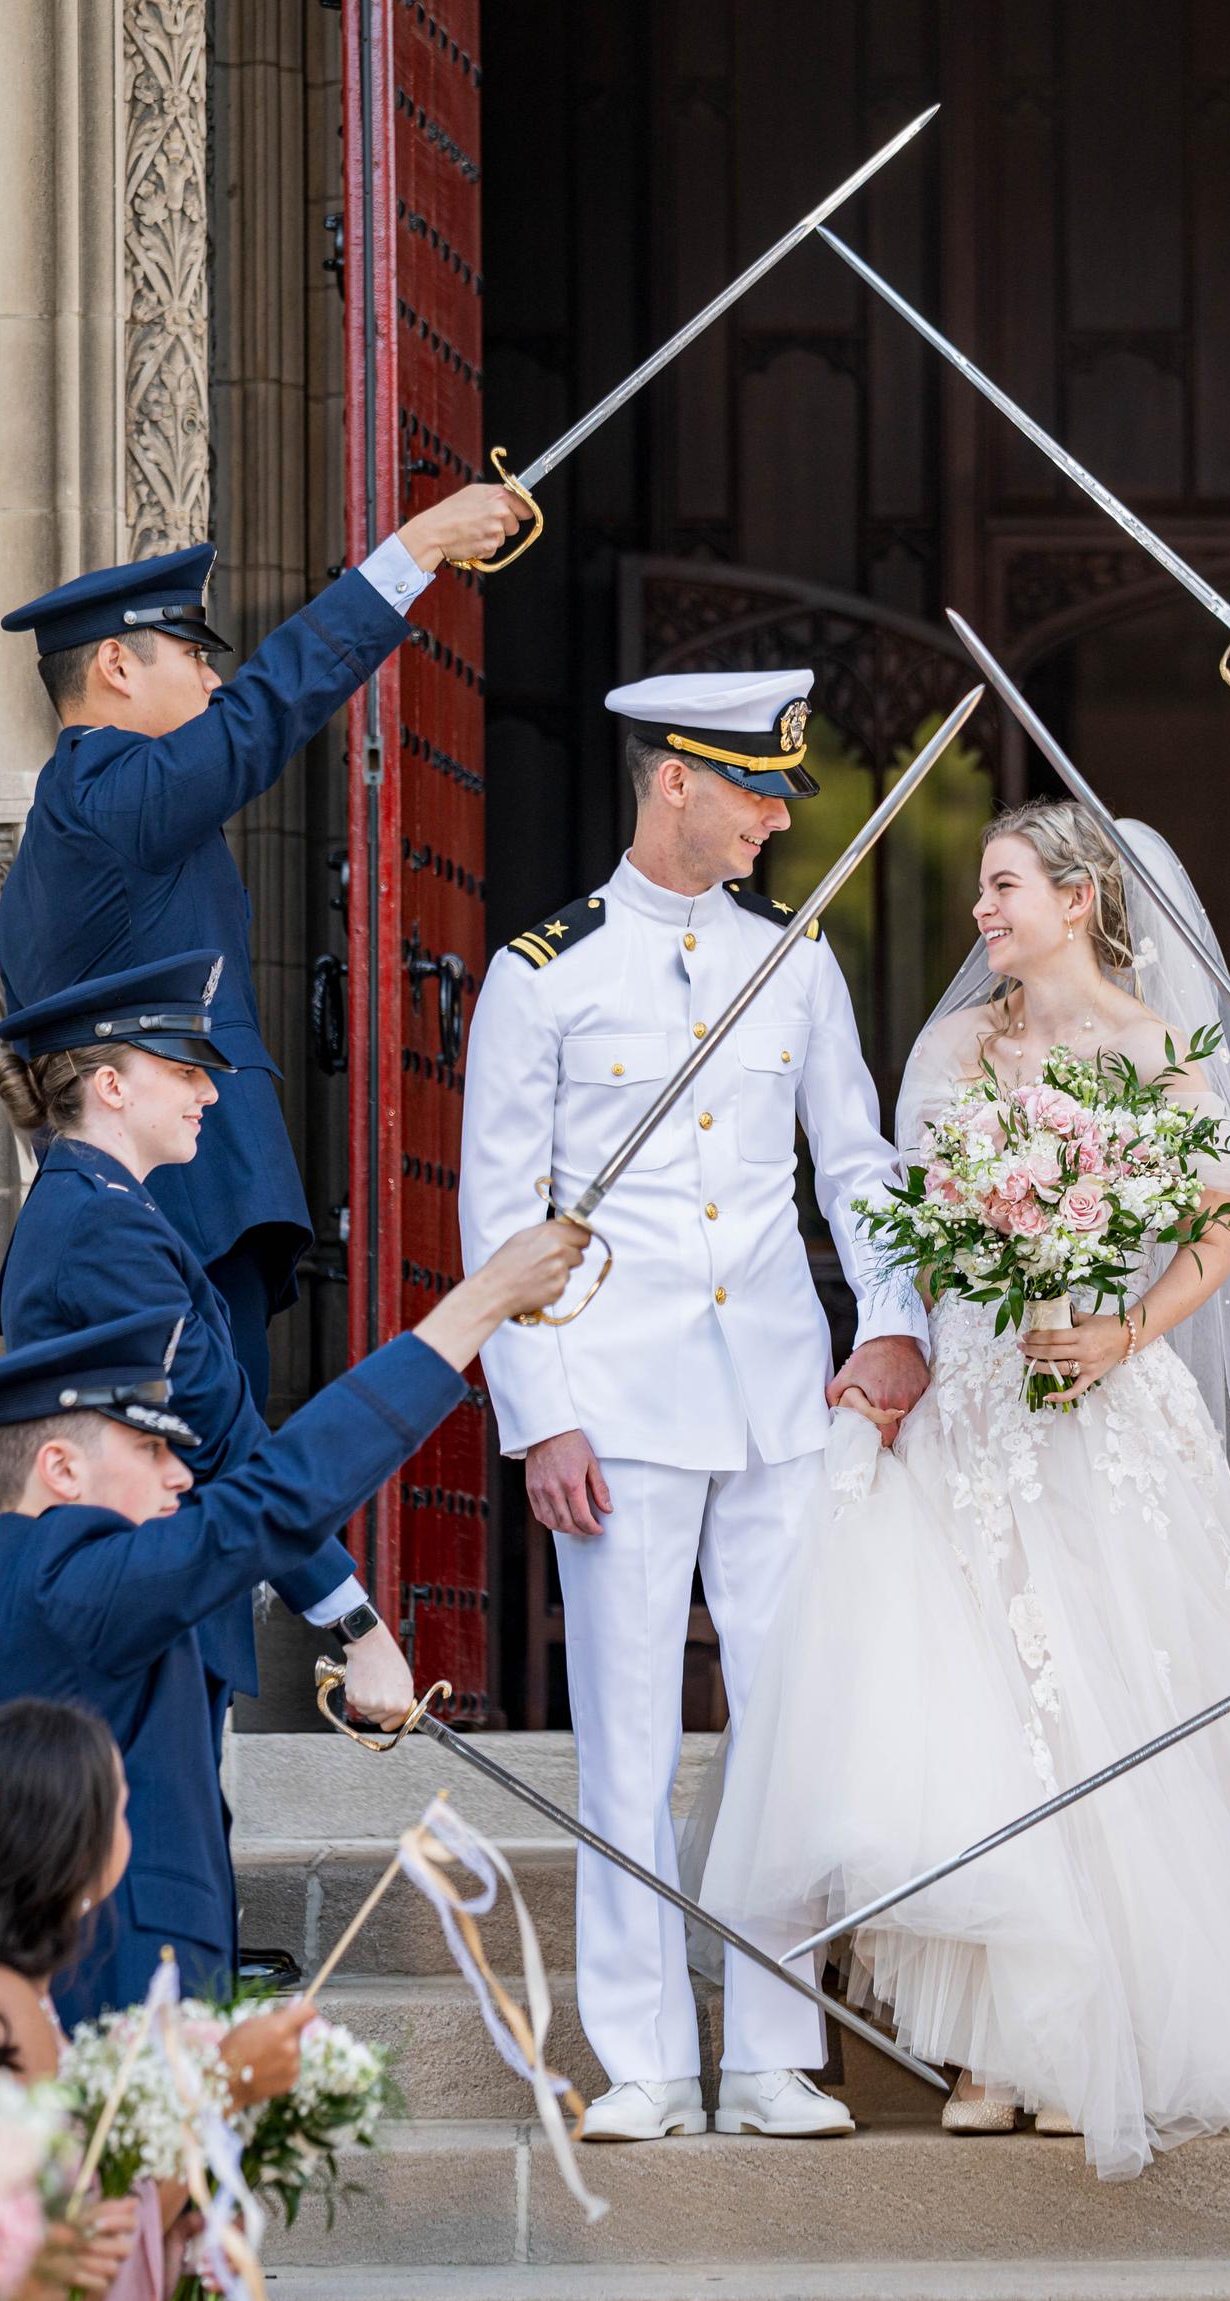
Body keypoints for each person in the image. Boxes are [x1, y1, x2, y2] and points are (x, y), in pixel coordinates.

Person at [699, 802, 1230, 2181]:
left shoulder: (1162, 1046)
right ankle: (994, 2046)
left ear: (1077, 896)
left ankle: (1087, 2029)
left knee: (1111, 1696)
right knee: (980, 1706)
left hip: (1110, 1399)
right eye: (982, 890)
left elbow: (1215, 1246)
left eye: (1001, 887)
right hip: (984, 1403)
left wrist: (1116, 1328)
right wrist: (963, 1291)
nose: (981, 913)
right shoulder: (953, 1044)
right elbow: (912, 1229)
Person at [458, 669, 929, 2142]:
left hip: (785, 1390)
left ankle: (773, 2049)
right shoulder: (544, 971)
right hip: (618, 1396)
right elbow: (501, 1209)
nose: (777, 815)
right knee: (631, 1741)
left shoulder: (793, 962)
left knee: (782, 1727)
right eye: (753, 786)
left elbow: (852, 1164)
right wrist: (539, 1413)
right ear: (674, 779)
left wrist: (898, 1322)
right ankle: (649, 2056)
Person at [0, 480, 525, 1406]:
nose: (213, 680)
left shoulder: (78, 818)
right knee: (208, 1477)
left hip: (143, 1209)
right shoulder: (113, 795)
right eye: (194, 657)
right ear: (118, 665)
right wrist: (422, 545)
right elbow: (265, 712)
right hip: (184, 1212)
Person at [0, 1221, 587, 2033]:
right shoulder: (71, 1573)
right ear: (61, 1468)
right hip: (116, 2013)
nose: (180, 1475)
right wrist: (479, 1305)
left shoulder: (40, 1573)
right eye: (148, 1447)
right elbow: (270, 1500)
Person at [0, 954, 415, 2001]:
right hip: (132, 1609)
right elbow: (226, 1438)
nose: (211, 1090)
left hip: (142, 1607)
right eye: (184, 1067)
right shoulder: (100, 1225)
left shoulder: (114, 1212)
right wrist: (356, 1623)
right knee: (147, 1934)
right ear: (111, 1085)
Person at [0, 1698, 317, 2301]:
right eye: (123, 1808)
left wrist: (182, 2205)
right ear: (79, 1847)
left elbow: (88, 2232)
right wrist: (228, 2082)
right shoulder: (7, 2015)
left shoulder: (26, 1999)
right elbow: (26, 2276)